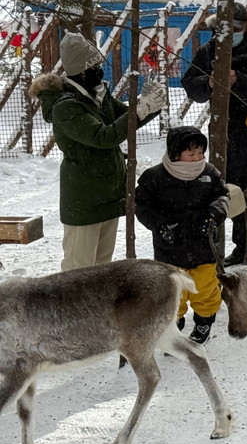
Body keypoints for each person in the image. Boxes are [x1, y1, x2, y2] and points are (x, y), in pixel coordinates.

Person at [29, 32, 165, 270]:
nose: (98, 70)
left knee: (102, 270)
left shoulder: (96, 95)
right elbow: (104, 137)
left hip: (107, 195)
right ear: (81, 71)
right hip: (84, 200)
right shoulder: (66, 106)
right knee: (78, 271)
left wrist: (150, 104)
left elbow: (126, 119)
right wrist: (140, 110)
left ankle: (98, 309)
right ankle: (70, 309)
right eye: (94, 66)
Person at [182, 2, 247, 266]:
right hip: (225, 137)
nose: (233, 32)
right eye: (227, 28)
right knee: (231, 193)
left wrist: (240, 80)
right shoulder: (209, 50)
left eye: (237, 28)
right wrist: (209, 83)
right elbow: (191, 85)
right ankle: (239, 249)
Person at [135, 126, 229, 344]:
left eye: (200, 152)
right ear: (176, 153)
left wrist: (215, 213)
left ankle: (204, 320)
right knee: (172, 290)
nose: (198, 158)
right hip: (170, 249)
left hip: (203, 247)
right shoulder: (154, 177)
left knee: (205, 288)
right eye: (191, 153)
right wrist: (160, 225)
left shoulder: (209, 174)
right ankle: (172, 323)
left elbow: (222, 196)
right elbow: (142, 206)